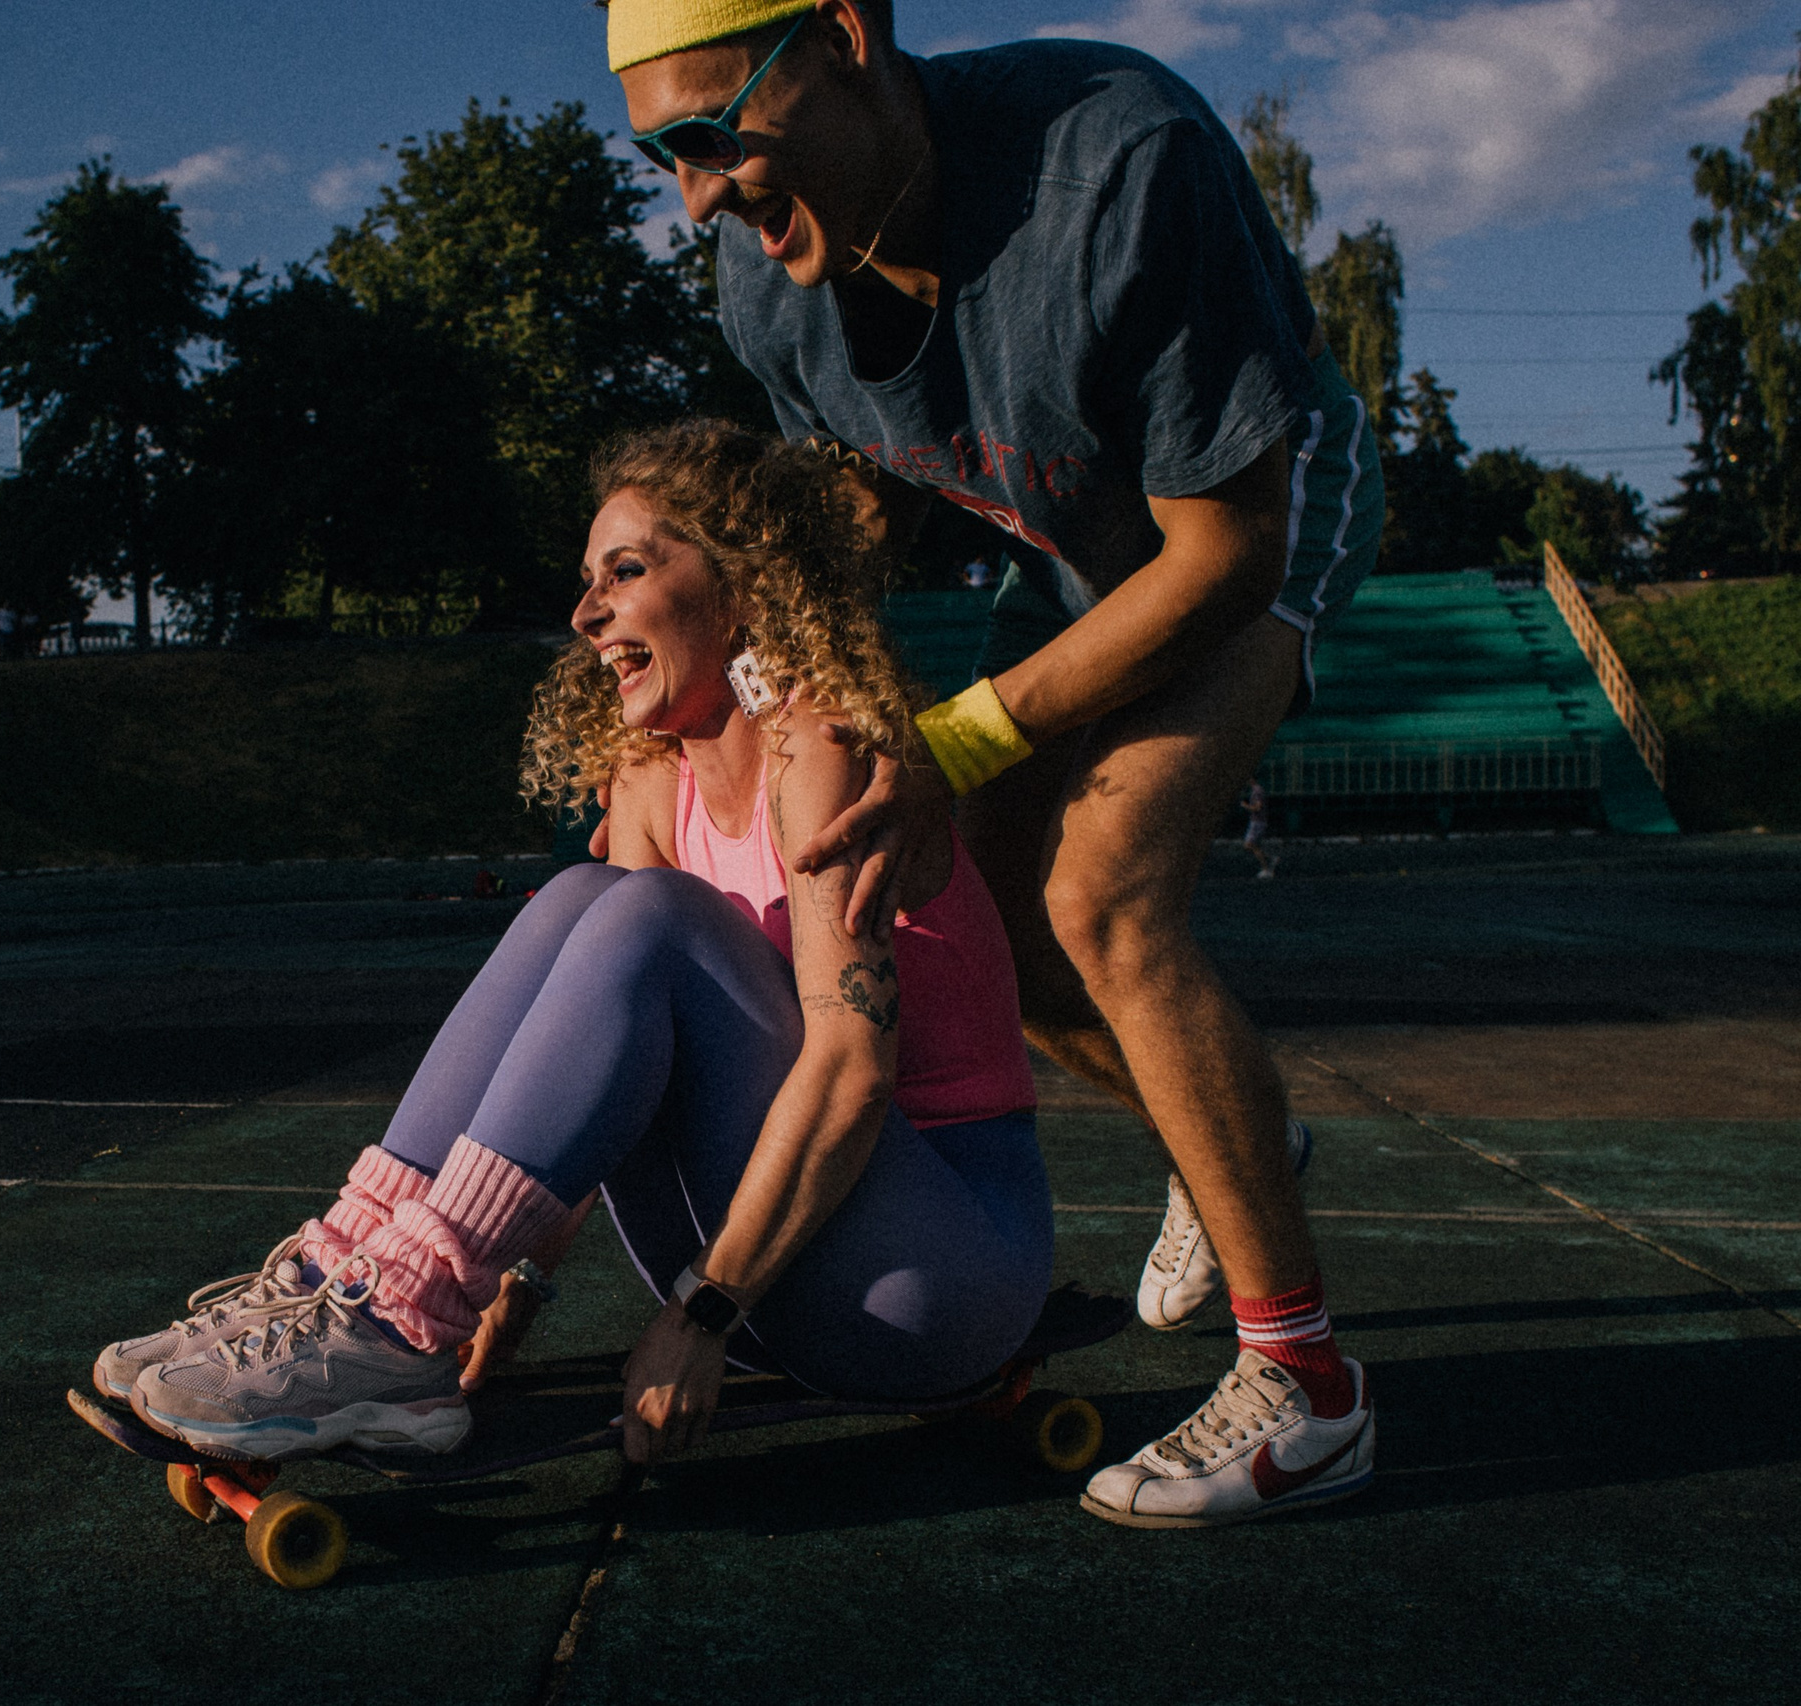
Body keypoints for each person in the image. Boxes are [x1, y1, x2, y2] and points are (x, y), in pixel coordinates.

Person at [605, 0, 1379, 1525]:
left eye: (712, 132)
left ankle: (1311, 1385)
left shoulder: (1121, 164)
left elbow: (1223, 551)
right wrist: (775, 688)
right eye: (661, 157)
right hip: (1084, 542)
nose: (695, 194)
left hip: (1246, 517)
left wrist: (959, 737)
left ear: (844, 33)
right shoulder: (767, 287)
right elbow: (853, 504)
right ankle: (1230, 1142)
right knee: (993, 931)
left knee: (1100, 892)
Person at [90, 422, 1062, 1469]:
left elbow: (850, 1071)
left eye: (627, 570)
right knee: (584, 895)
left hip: (933, 1275)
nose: (585, 610)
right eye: (587, 579)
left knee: (650, 914)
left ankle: (392, 1321)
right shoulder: (653, 780)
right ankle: (359, 1283)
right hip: (770, 1260)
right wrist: (506, 1300)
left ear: (743, 585)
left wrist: (701, 1314)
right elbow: (595, 1077)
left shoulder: (818, 748)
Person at [1241, 779, 1276, 879]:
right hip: (1256, 821)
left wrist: (1245, 806)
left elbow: (1257, 808)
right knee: (1249, 846)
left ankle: (1266, 869)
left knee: (1250, 845)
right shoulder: (1256, 791)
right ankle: (1270, 859)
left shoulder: (1257, 791)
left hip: (1258, 822)